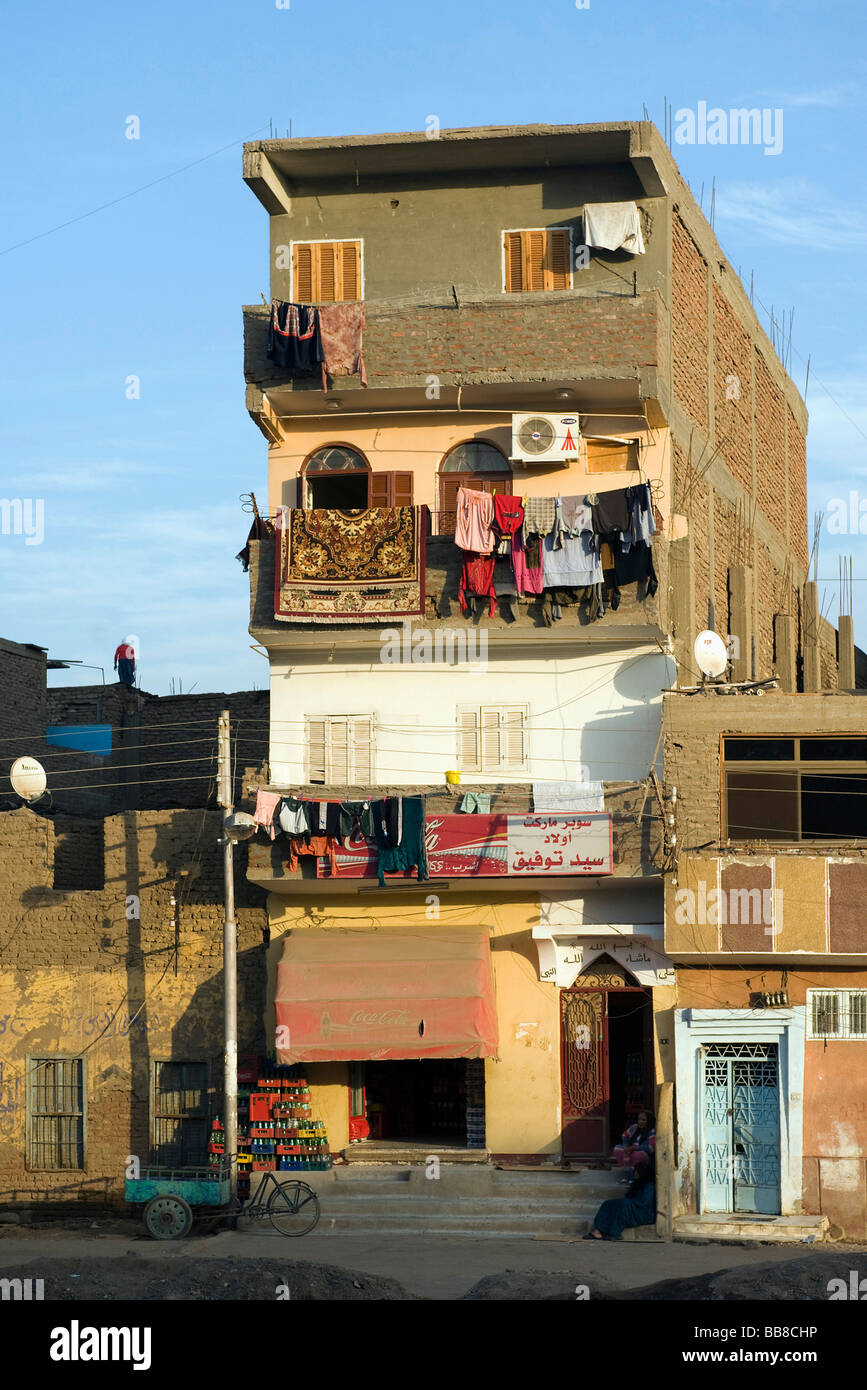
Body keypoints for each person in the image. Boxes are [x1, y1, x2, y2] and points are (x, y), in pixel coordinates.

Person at [584, 1153, 656, 1241]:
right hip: (634, 1208)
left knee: (623, 1204)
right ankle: (598, 1230)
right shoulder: (637, 1184)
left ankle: (615, 1233)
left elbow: (644, 1203)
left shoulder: (649, 1186)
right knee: (608, 1204)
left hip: (644, 1214)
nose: (635, 1174)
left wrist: (629, 1203)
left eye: (637, 1171)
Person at [613, 1109, 655, 1181]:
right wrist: (627, 1147)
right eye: (639, 1119)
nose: (640, 1122)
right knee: (617, 1149)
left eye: (643, 1120)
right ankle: (628, 1172)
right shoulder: (634, 1127)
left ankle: (631, 1175)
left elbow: (650, 1148)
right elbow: (625, 1135)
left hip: (643, 1153)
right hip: (630, 1150)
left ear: (649, 1121)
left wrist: (634, 1148)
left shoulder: (652, 1132)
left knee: (637, 1155)